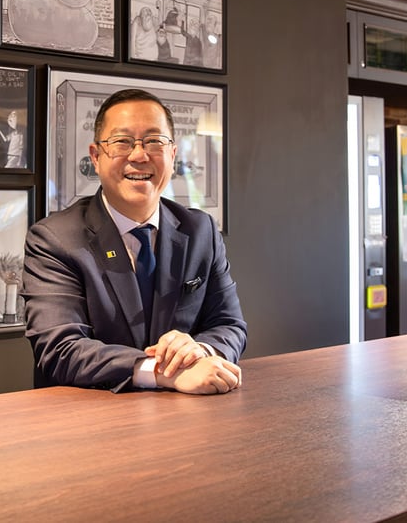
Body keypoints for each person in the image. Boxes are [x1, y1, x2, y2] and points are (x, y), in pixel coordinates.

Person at [22, 89, 246, 394]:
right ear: (96, 157)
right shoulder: (54, 239)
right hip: (89, 422)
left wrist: (200, 352)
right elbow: (61, 349)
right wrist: (160, 371)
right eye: (122, 142)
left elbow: (229, 325)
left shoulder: (200, 230)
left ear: (172, 154)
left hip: (188, 418)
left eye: (154, 141)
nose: (139, 155)